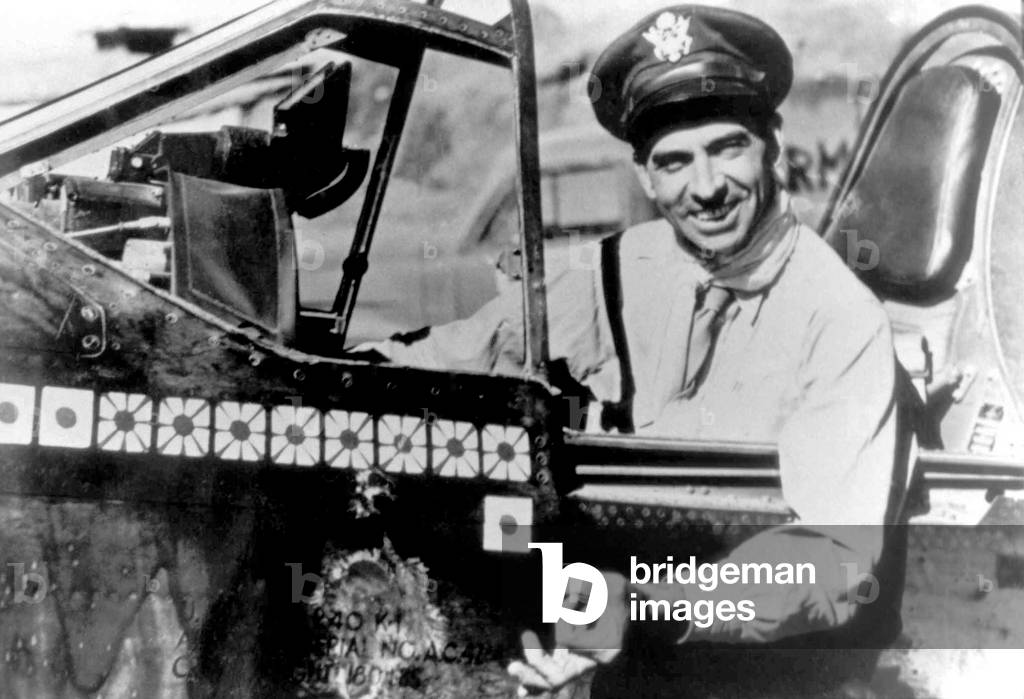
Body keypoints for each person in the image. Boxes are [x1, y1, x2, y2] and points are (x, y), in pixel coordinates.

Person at [364, 5, 910, 696]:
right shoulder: (624, 268)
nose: (704, 188)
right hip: (617, 622)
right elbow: (475, 346)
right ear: (646, 179)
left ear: (773, 146)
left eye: (727, 147)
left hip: (760, 664)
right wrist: (353, 376)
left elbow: (833, 562)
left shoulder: (839, 318)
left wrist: (639, 610)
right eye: (674, 162)